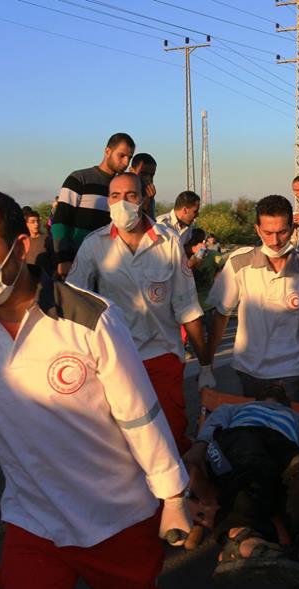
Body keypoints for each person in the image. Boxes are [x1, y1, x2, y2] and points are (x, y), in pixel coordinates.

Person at [0, 189, 191, 589]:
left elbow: (137, 413)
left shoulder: (88, 318)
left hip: (117, 517)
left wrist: (171, 495)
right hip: (33, 520)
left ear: (20, 246)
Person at [67, 173, 209, 453]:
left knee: (170, 440)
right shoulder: (94, 245)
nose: (122, 203)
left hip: (163, 356)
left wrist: (206, 366)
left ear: (143, 199)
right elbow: (73, 303)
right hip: (114, 361)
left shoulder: (168, 242)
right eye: (115, 196)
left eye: (131, 195)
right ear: (108, 201)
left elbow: (188, 308)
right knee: (123, 448)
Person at [184, 385, 299, 585]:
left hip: (283, 446)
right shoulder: (232, 408)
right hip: (240, 437)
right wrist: (200, 446)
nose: (278, 385)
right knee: (251, 465)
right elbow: (212, 425)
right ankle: (242, 537)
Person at [205, 195, 299, 400]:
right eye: (268, 233)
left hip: (291, 373)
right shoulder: (239, 263)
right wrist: (206, 366)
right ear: (257, 229)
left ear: (293, 229)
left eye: (282, 232)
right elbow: (221, 315)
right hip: (249, 370)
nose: (275, 241)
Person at [51, 132, 136, 278]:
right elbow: (61, 221)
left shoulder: (122, 188)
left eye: (129, 157)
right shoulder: (79, 179)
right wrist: (63, 258)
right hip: (76, 263)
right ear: (107, 151)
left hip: (108, 268)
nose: (125, 162)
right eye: (121, 156)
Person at [130, 152, 157, 217]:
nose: (148, 179)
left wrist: (149, 202)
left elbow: (150, 221)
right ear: (131, 171)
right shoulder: (121, 191)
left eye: (151, 175)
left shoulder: (148, 196)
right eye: (143, 174)